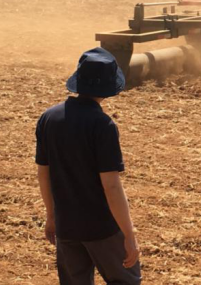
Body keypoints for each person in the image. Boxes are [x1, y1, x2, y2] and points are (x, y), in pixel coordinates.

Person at [36, 47, 141, 284]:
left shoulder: (48, 118)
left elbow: (43, 174)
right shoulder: (102, 125)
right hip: (101, 228)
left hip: (66, 226)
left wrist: (51, 216)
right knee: (125, 280)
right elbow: (111, 186)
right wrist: (128, 233)